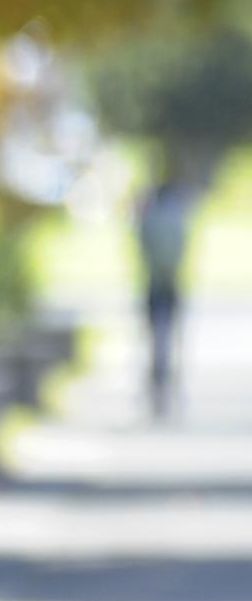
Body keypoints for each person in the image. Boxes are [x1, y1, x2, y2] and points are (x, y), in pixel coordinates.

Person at [138, 156, 196, 416]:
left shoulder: (151, 221)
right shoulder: (175, 221)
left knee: (156, 338)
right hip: (169, 285)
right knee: (168, 339)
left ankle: (159, 386)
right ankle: (166, 386)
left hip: (155, 285)